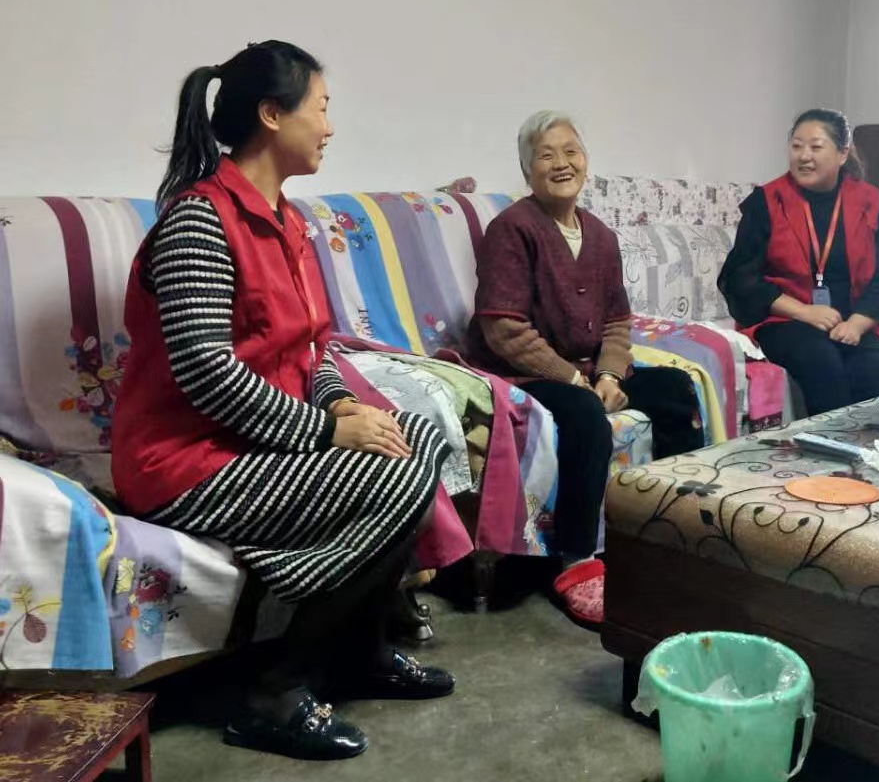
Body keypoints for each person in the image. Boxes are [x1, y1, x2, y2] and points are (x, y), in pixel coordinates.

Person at [111, 41, 454, 761]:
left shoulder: (290, 223)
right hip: (185, 461)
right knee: (394, 477)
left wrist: (340, 408)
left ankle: (360, 652)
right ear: (272, 114)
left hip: (256, 443)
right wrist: (325, 432)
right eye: (321, 108)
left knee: (417, 440)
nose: (330, 126)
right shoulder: (199, 221)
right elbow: (205, 371)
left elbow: (312, 350)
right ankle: (276, 688)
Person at [463, 110, 704, 628]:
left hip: (589, 370)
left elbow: (617, 320)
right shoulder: (512, 229)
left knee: (676, 390)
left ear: (585, 161)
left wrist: (610, 376)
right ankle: (576, 563)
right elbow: (504, 329)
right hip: (522, 371)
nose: (561, 163)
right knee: (583, 416)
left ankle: (668, 533)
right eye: (545, 155)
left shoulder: (600, 235)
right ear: (527, 171)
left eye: (570, 151)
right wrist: (577, 381)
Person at [718, 108, 879, 415]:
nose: (804, 156)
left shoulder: (871, 202)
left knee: (876, 374)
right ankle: (827, 444)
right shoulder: (766, 201)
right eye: (796, 146)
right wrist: (804, 312)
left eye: (816, 147)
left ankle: (872, 447)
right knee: (821, 362)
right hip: (785, 321)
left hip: (852, 321)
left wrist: (857, 324)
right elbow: (741, 278)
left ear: (842, 153)